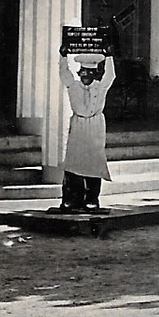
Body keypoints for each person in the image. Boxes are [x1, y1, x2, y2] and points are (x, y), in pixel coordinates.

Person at [57, 53, 114, 212]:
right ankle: (71, 199)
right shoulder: (73, 86)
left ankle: (92, 199)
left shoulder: (100, 87)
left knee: (94, 164)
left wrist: (109, 56)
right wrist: (63, 56)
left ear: (95, 74)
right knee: (74, 163)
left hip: (95, 126)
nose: (84, 77)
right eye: (82, 72)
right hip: (78, 126)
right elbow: (64, 73)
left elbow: (110, 75)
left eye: (88, 73)